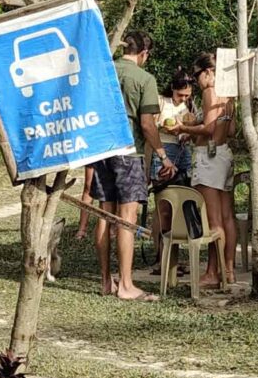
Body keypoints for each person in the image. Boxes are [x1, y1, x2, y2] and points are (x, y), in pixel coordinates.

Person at [89, 32, 159, 301]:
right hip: (129, 152)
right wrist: (162, 154)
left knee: (104, 214)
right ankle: (126, 284)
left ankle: (106, 280)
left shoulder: (103, 73)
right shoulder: (144, 79)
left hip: (102, 149)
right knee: (126, 219)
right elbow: (147, 124)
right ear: (143, 53)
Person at [175, 56, 240, 291]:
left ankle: (213, 273)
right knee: (227, 217)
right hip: (223, 154)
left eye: (197, 75)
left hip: (209, 158)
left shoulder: (210, 92)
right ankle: (228, 270)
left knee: (213, 221)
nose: (197, 81)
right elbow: (230, 129)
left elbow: (210, 128)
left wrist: (182, 128)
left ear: (209, 72)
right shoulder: (229, 97)